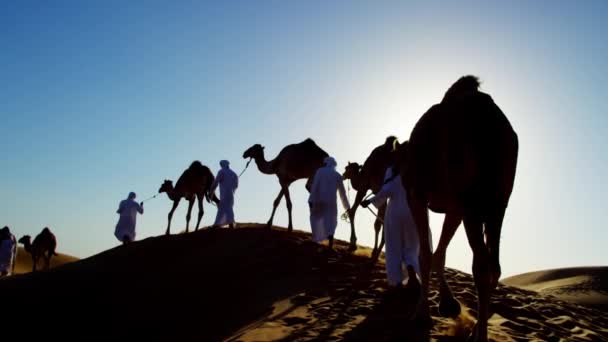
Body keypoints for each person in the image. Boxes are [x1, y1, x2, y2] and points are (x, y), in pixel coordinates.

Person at [361, 166, 422, 288]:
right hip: (413, 212)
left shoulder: (392, 170)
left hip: (395, 213)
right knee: (411, 247)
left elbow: (386, 190)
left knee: (395, 248)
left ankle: (397, 281)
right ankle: (412, 274)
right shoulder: (415, 170)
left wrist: (369, 201)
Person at [308, 156, 351, 250]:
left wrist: (311, 199)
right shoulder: (337, 175)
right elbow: (342, 193)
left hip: (318, 200)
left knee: (316, 219)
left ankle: (316, 241)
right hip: (331, 203)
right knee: (331, 222)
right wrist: (347, 207)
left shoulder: (320, 171)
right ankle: (330, 246)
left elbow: (315, 186)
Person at [209, 160, 239, 229]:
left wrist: (211, 191)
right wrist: (232, 188)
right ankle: (225, 224)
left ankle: (220, 224)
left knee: (224, 207)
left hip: (224, 193)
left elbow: (216, 182)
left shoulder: (221, 171)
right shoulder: (234, 173)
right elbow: (236, 185)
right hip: (231, 194)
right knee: (227, 208)